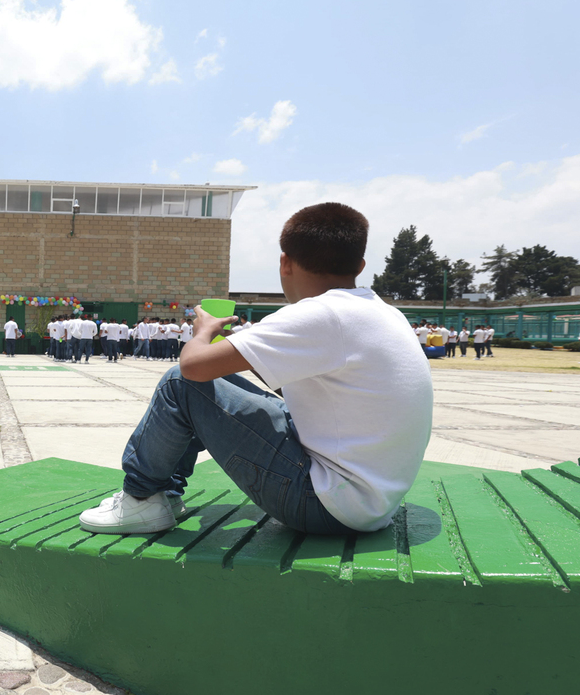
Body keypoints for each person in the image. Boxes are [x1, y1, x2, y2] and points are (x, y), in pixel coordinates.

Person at [79, 202, 432, 536]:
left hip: (324, 506)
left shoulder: (318, 313)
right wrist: (250, 351)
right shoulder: (384, 312)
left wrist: (203, 333)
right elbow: (315, 393)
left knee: (181, 384)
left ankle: (142, 498)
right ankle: (165, 494)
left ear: (285, 263)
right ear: (359, 266)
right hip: (370, 502)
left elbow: (193, 368)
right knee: (221, 384)